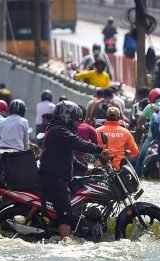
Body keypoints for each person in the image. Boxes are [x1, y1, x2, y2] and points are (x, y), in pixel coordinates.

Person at [40, 101, 110, 238]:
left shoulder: (57, 130)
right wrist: (99, 150)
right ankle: (66, 243)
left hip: (57, 177)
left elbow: (70, 158)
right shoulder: (59, 130)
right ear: (66, 116)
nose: (76, 123)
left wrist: (86, 170)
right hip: (54, 179)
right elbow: (78, 143)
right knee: (65, 214)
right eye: (74, 119)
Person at [134, 88, 160, 176]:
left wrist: (143, 129)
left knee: (141, 157)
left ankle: (138, 176)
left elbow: (139, 122)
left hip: (151, 136)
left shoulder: (150, 106)